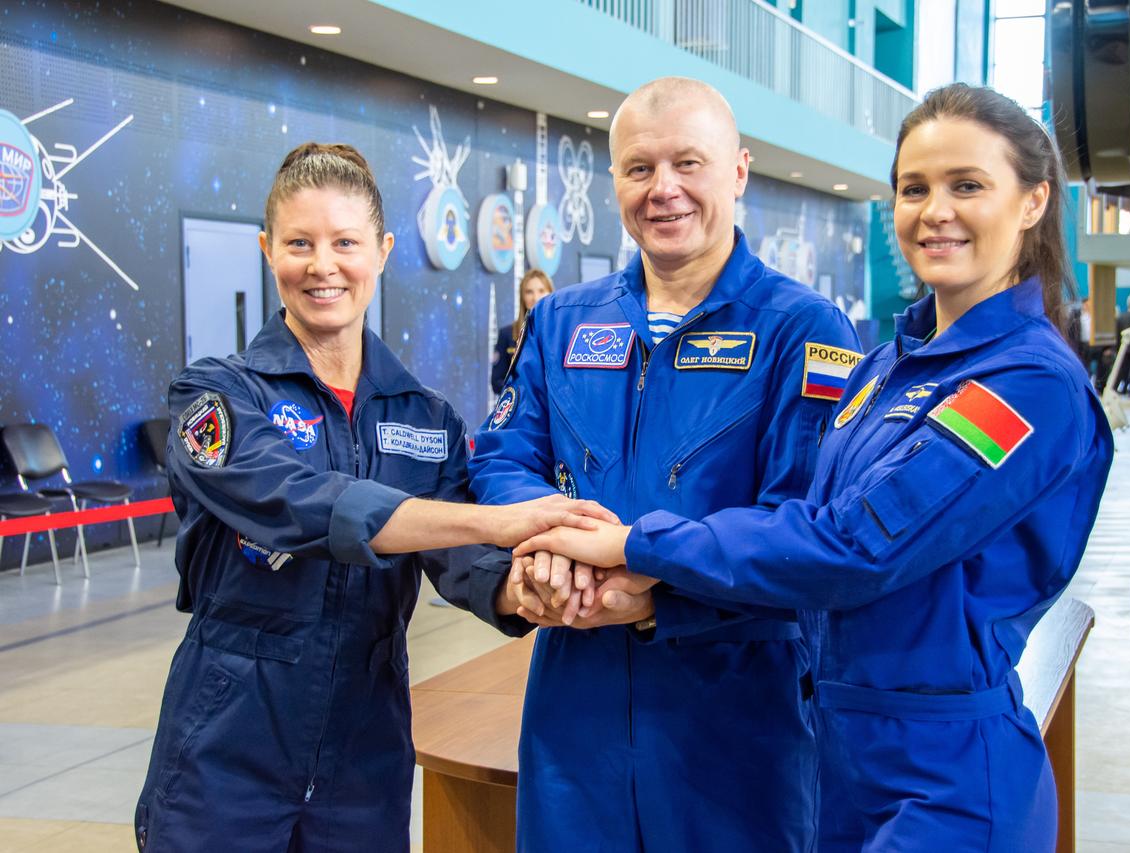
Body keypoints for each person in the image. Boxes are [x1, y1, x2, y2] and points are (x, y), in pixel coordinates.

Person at [519, 83, 1115, 851]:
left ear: (1032, 201)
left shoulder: (1028, 386)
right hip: (839, 757)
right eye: (914, 188)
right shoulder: (884, 372)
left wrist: (635, 546)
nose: (936, 211)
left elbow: (854, 545)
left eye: (968, 185)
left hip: (947, 775)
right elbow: (796, 523)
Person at [133, 143, 611, 853]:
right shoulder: (217, 395)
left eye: (345, 242)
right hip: (228, 743)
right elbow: (294, 497)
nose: (322, 265)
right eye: (299, 243)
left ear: (383, 250)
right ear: (268, 251)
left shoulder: (424, 418)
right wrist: (500, 517)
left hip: (365, 750)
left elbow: (464, 561)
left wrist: (525, 587)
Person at [468, 77, 860, 852]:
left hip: (736, 718)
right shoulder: (561, 322)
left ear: (739, 172)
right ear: (614, 179)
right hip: (575, 711)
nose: (664, 189)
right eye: (639, 168)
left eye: (690, 162)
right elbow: (504, 457)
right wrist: (555, 545)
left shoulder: (804, 330)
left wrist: (653, 598)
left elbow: (800, 524)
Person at [491, 269, 554, 394]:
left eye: (541, 291)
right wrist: (523, 393)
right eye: (529, 292)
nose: (535, 297)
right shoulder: (507, 334)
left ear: (550, 294)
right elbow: (497, 382)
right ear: (522, 297)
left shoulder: (559, 334)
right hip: (522, 408)